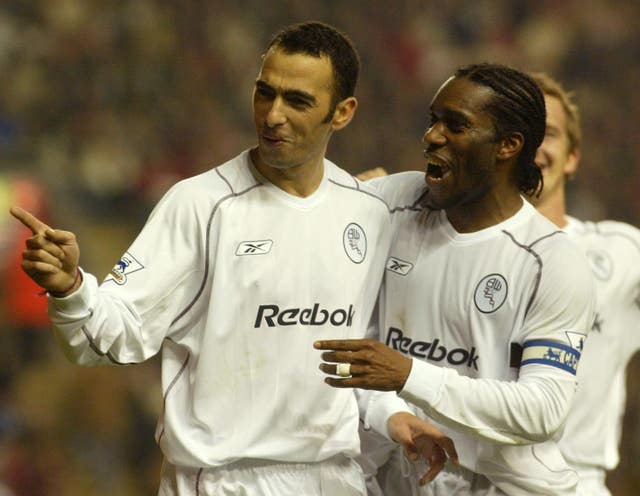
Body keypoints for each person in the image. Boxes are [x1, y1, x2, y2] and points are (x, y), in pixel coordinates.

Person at [10, 21, 456, 496]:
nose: (272, 115)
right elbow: (110, 336)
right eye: (265, 93)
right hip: (223, 480)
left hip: (334, 476)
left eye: (297, 101)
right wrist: (71, 288)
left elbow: (351, 359)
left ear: (342, 113)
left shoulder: (366, 212)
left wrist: (394, 415)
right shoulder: (200, 205)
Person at [315, 63, 596, 495]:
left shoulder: (551, 262)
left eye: (456, 125)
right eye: (432, 120)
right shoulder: (388, 204)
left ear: (508, 145)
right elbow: (349, 339)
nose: (431, 136)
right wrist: (391, 411)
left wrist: (410, 375)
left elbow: (543, 410)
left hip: (500, 486)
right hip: (396, 472)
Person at [528, 72, 640, 496]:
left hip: (575, 482)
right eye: (522, 131)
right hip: (467, 481)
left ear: (572, 157)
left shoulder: (620, 252)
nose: (535, 146)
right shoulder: (448, 245)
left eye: (549, 134)